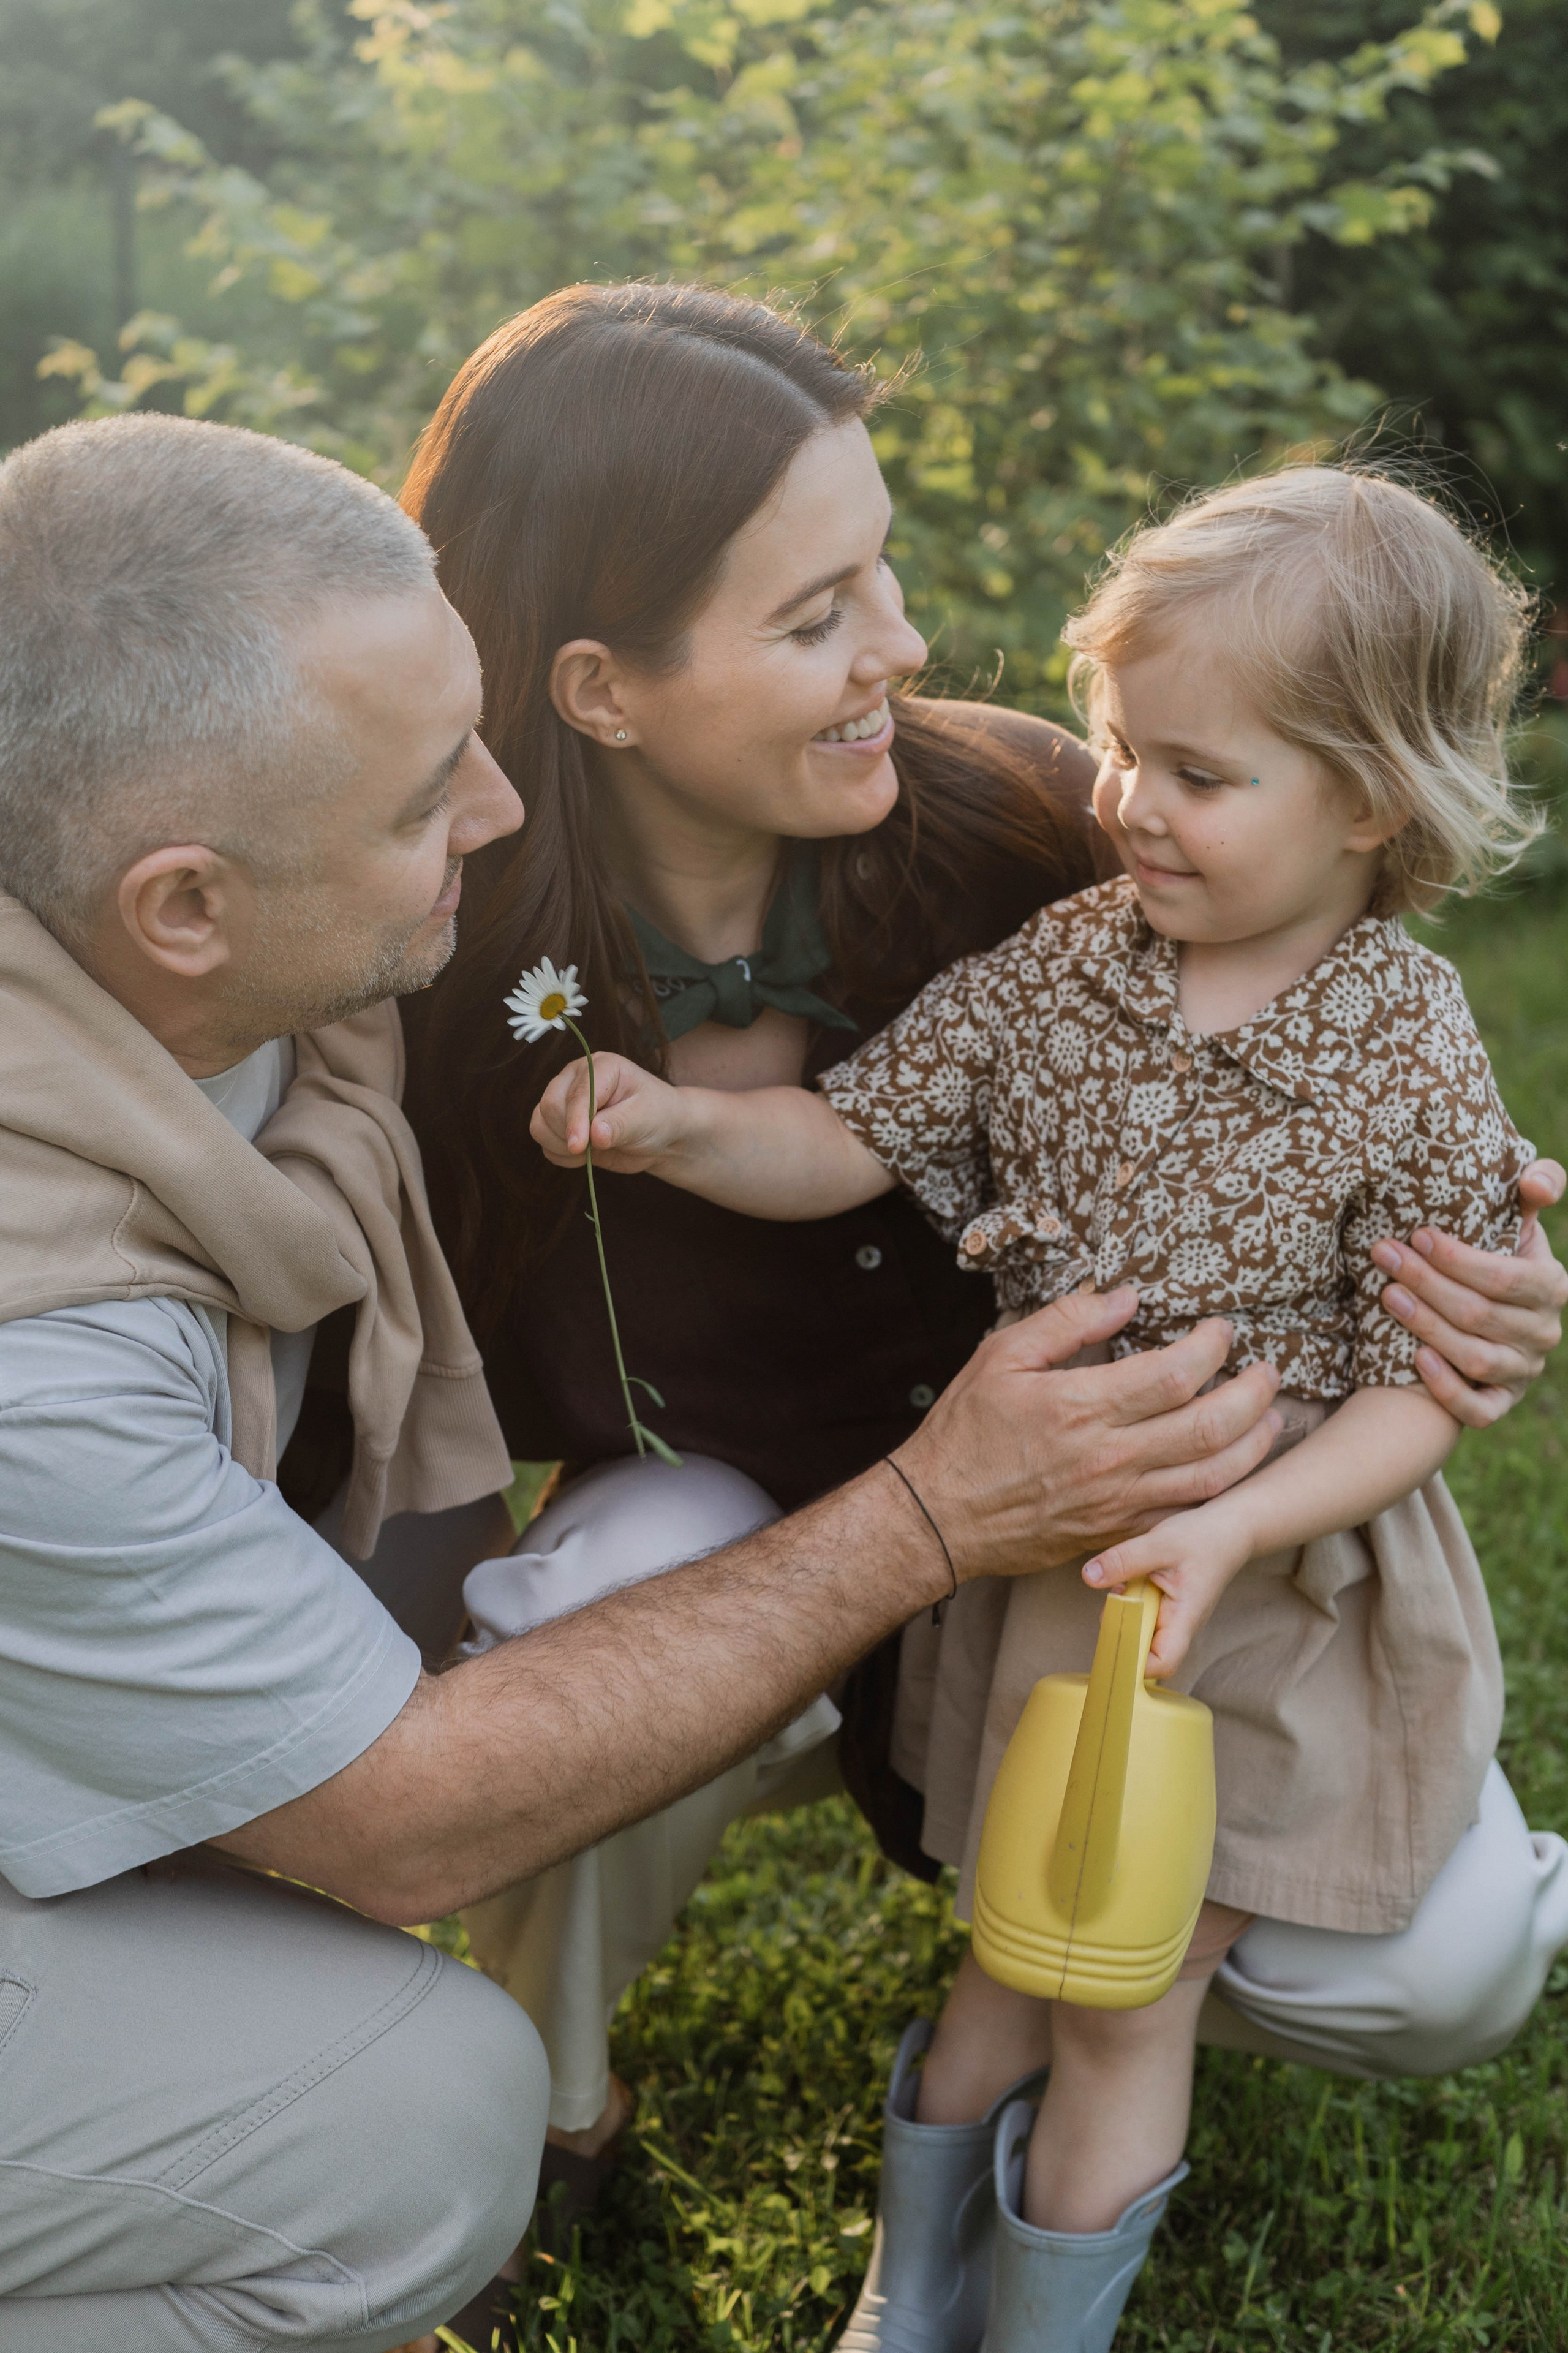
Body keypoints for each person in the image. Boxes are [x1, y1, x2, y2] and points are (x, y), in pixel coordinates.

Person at [0, 409, 1306, 2352]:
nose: (499, 810)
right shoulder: (46, 1362)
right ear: (182, 904)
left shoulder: (219, 945)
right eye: (424, 793)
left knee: (1414, 1949)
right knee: (420, 2122)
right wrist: (938, 1507)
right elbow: (398, 1817)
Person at [391, 282, 1568, 2256]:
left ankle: (1127, 1995)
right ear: (600, 688)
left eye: (884, 567)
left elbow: (1346, 1109)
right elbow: (371, 1383)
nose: (905, 643)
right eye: (815, 614)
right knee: (595, 1597)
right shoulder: (447, 968)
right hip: (754, 1577)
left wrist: (1482, 1306)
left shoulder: (1043, 829)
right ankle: (547, 2091)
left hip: (1108, 1559)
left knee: (1444, 1963)